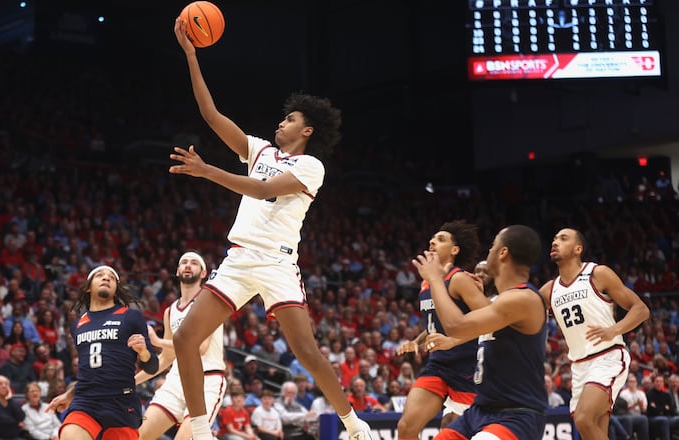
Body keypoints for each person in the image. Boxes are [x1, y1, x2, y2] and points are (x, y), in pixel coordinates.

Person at [170, 16, 372, 440]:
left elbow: (263, 191)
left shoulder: (311, 166)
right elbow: (210, 114)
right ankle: (200, 430)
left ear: (307, 130)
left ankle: (354, 424)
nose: (280, 123)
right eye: (281, 118)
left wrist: (207, 172)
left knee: (308, 353)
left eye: (290, 118)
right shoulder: (258, 148)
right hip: (240, 258)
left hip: (278, 264)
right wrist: (191, 55)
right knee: (186, 337)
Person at [413, 224, 548, 439]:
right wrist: (452, 342)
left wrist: (436, 279)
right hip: (480, 410)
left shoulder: (523, 298)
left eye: (493, 246)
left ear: (503, 253)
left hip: (517, 415)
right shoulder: (498, 302)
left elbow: (456, 325)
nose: (489, 251)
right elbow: (482, 328)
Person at [541, 227, 650, 440]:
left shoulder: (597, 274)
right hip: (579, 366)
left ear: (578, 249)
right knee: (593, 430)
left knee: (583, 418)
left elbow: (641, 309)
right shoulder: (549, 290)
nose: (555, 242)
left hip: (607, 356)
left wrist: (613, 330)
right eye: (554, 239)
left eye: (563, 239)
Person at [395, 220, 488, 438]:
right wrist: (415, 342)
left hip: (469, 369)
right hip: (438, 366)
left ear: (455, 250)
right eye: (433, 238)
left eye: (441, 239)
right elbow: (435, 325)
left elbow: (490, 321)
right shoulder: (426, 283)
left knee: (457, 430)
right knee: (406, 428)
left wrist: (454, 340)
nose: (432, 241)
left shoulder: (460, 279)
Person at [46, 265, 159, 439]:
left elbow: (152, 366)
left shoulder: (131, 316)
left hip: (121, 402)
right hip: (86, 401)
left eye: (112, 277)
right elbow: (90, 370)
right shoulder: (77, 325)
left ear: (115, 289)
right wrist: (70, 394)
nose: (106, 278)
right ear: (89, 287)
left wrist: (143, 352)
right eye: (100, 275)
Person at [134, 251, 226, 440]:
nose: (188, 265)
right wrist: (131, 380)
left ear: (203, 273)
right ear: (177, 271)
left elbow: (200, 347)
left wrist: (158, 342)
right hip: (176, 379)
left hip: (206, 379)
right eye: (184, 262)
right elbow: (167, 358)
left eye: (194, 263)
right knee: (138, 436)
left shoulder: (210, 301)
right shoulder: (170, 311)